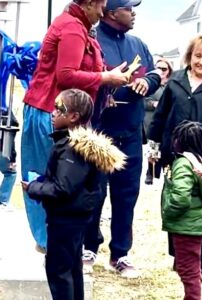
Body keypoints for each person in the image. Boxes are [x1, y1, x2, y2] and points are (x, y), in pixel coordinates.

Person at [21, 0, 129, 254]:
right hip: (50, 113)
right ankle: (51, 243)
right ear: (89, 3)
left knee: (64, 180)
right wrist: (104, 78)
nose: (103, 11)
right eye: (101, 5)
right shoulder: (71, 27)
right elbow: (66, 75)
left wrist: (105, 81)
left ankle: (55, 243)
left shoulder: (78, 26)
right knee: (51, 179)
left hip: (60, 113)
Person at [22, 89, 126, 300]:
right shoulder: (74, 146)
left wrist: (33, 187)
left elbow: (63, 188)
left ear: (73, 116)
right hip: (74, 218)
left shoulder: (71, 149)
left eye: (59, 109)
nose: (52, 113)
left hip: (65, 219)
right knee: (72, 269)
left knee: (59, 271)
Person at [82, 0, 160, 278]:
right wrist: (103, 92)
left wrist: (147, 83)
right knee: (95, 194)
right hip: (99, 133)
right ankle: (89, 247)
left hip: (130, 133)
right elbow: (82, 77)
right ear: (112, 13)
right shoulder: (91, 39)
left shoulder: (137, 43)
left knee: (126, 197)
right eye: (129, 8)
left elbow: (154, 73)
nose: (134, 12)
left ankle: (121, 254)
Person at [147, 35, 202, 277]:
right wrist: (153, 146)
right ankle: (180, 257)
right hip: (174, 153)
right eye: (198, 56)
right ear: (189, 56)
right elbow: (161, 115)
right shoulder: (176, 80)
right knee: (176, 200)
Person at [162, 120, 202, 300]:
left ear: (180, 141)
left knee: (187, 270)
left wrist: (170, 212)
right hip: (200, 224)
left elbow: (181, 198)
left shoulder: (183, 163)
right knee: (193, 267)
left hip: (186, 226)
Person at [144, 58, 173, 185]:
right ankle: (150, 173)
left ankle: (168, 173)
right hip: (152, 119)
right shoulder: (150, 82)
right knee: (153, 147)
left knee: (167, 148)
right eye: (158, 68)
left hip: (168, 120)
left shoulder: (172, 84)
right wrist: (154, 104)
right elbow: (143, 100)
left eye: (164, 69)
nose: (161, 71)